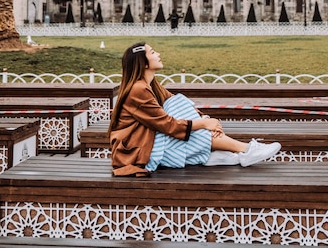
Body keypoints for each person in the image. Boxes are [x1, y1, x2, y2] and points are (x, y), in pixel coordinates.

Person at [107, 41, 281, 176]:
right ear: (143, 63)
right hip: (135, 152)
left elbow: (176, 103)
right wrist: (205, 124)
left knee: (177, 102)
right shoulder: (138, 89)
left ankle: (213, 155)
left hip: (148, 142)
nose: (158, 54)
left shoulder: (151, 85)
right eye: (153, 52)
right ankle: (246, 149)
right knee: (193, 129)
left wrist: (204, 119)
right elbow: (168, 125)